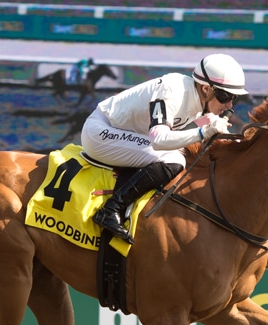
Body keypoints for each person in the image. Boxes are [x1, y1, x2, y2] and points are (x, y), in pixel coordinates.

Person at [82, 53, 246, 242]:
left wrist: (235, 143)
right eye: (225, 96)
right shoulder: (172, 91)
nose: (229, 104)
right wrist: (204, 133)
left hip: (123, 135)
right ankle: (112, 209)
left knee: (180, 153)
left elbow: (205, 124)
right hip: (100, 132)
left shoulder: (200, 100)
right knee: (174, 159)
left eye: (234, 98)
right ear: (206, 89)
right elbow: (159, 140)